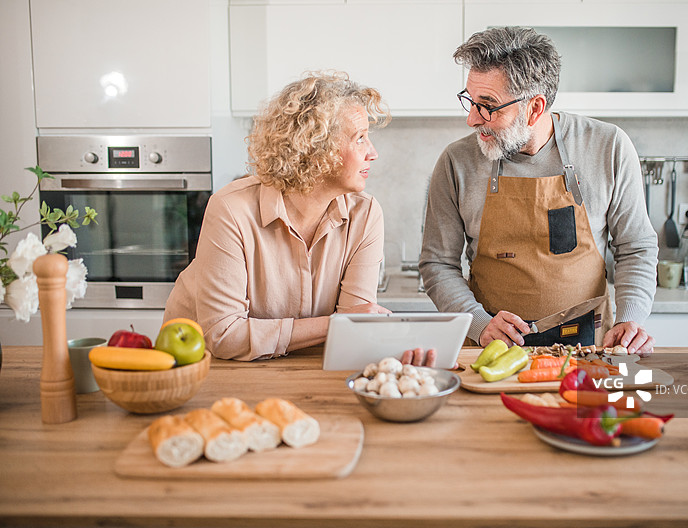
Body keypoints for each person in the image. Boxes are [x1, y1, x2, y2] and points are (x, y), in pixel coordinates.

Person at [419, 27, 658, 356]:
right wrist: (477, 322)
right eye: (471, 101)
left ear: (534, 108)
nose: (473, 119)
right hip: (491, 351)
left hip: (590, 347)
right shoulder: (456, 162)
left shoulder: (608, 147)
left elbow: (636, 247)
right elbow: (437, 263)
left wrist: (630, 318)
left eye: (488, 106)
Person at [164, 71, 393, 361]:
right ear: (316, 147)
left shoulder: (366, 214)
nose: (373, 153)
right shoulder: (231, 210)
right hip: (211, 371)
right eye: (360, 138)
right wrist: (335, 325)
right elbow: (223, 335)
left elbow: (355, 327)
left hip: (305, 372)